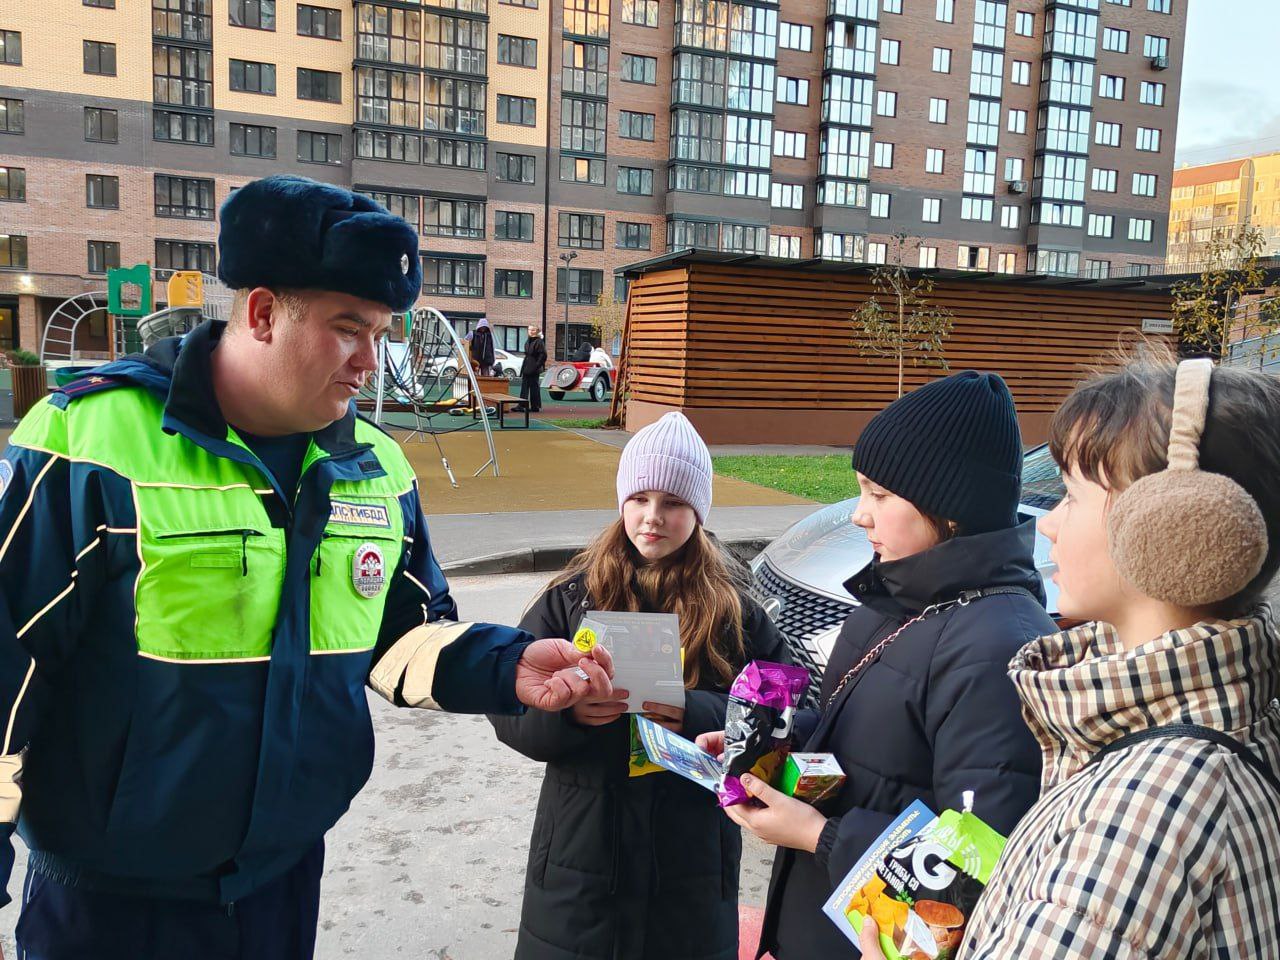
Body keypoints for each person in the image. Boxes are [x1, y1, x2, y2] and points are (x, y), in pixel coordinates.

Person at [0, 175, 613, 960]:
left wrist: (508, 665)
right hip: (110, 909)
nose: (370, 361)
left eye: (383, 331)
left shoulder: (378, 469)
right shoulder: (88, 445)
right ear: (260, 313)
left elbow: (401, 637)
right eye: (348, 327)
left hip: (282, 889)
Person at [857, 352, 1280, 960]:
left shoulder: (1150, 809)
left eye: (1072, 497)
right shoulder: (1185, 727)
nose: (1047, 525)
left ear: (1173, 527)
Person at [699, 371, 1055, 959]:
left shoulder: (999, 646)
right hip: (816, 922)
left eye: (880, 494)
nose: (860, 514)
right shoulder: (892, 600)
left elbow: (979, 864)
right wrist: (769, 744)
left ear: (950, 509)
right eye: (862, 489)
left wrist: (818, 835)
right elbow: (862, 749)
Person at [489, 412, 788, 960]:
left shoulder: (735, 609)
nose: (653, 517)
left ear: (698, 511)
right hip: (579, 866)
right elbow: (507, 702)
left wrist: (697, 714)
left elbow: (785, 711)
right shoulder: (570, 596)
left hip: (689, 869)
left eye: (673, 503)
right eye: (640, 498)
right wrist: (568, 714)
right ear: (621, 501)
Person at [517, 324, 546, 413]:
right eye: (529, 330)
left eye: (533, 330)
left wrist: (536, 366)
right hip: (527, 367)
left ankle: (535, 406)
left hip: (533, 368)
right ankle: (522, 405)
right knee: (524, 387)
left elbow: (543, 355)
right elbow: (527, 355)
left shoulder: (539, 342)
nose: (530, 331)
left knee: (534, 387)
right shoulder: (528, 341)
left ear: (537, 331)